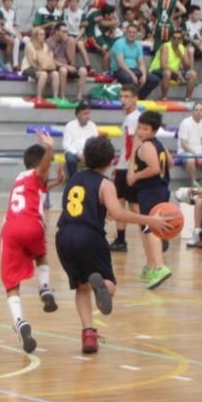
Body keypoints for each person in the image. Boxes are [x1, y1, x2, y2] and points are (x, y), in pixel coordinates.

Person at [56, 136, 174, 354]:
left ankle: (88, 333)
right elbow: (118, 213)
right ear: (110, 161)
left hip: (64, 236)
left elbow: (83, 205)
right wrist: (151, 220)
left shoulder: (73, 179)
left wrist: (102, 212)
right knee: (110, 286)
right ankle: (102, 285)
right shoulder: (105, 184)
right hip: (89, 237)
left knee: (80, 287)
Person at [0, 131, 64, 353]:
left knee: (11, 284)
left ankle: (20, 322)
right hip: (32, 225)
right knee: (41, 254)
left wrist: (57, 182)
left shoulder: (20, 178)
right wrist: (50, 148)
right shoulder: (38, 174)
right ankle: (44, 288)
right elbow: (43, 170)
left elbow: (40, 188)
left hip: (10, 229)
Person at [126, 111, 173, 289]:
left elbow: (154, 168)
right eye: (139, 127)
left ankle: (159, 267)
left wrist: (136, 175)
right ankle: (151, 265)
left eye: (145, 129)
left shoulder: (146, 146)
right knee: (146, 227)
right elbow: (170, 162)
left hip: (151, 191)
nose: (140, 131)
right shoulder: (158, 144)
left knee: (151, 228)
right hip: (160, 190)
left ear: (153, 131)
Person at [109, 84, 141, 252]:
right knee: (123, 202)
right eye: (121, 97)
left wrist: (128, 166)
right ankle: (121, 240)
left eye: (126, 96)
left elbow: (133, 143)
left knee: (131, 204)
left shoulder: (132, 118)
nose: (123, 100)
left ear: (135, 98)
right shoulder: (133, 117)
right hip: (126, 165)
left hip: (128, 166)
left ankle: (151, 232)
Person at [109, 23, 159, 99]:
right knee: (129, 78)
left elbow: (141, 63)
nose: (131, 34)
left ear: (136, 34)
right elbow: (120, 63)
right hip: (119, 70)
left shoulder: (138, 45)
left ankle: (139, 97)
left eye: (134, 33)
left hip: (134, 69)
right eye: (130, 32)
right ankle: (130, 98)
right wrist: (132, 74)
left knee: (154, 79)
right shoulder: (119, 43)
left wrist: (144, 75)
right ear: (125, 32)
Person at [149, 29, 197, 100]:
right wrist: (178, 73)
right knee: (167, 72)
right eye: (174, 38)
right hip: (157, 70)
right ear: (171, 39)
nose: (176, 40)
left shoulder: (183, 48)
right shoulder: (165, 46)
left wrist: (181, 55)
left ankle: (187, 98)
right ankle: (164, 98)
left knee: (193, 74)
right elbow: (163, 65)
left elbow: (187, 67)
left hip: (173, 72)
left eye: (178, 38)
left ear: (181, 40)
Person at [47, 23, 88, 100]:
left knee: (83, 71)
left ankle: (79, 98)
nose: (65, 34)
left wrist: (69, 44)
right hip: (57, 66)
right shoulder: (49, 41)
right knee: (63, 70)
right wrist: (67, 66)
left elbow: (71, 60)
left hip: (67, 65)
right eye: (63, 31)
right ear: (56, 32)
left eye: (66, 32)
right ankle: (62, 97)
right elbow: (51, 60)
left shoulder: (66, 41)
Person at [61, 101, 98, 179]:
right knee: (70, 159)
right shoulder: (70, 125)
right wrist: (77, 153)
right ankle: (73, 180)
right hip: (73, 153)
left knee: (97, 156)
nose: (88, 116)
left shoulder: (92, 126)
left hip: (87, 152)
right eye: (85, 113)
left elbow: (95, 143)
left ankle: (92, 180)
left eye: (88, 113)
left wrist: (86, 153)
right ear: (78, 115)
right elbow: (66, 144)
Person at [177, 102, 202, 186]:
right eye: (196, 110)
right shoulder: (185, 123)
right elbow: (184, 144)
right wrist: (196, 154)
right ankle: (193, 182)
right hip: (184, 151)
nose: (198, 112)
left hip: (199, 152)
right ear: (192, 111)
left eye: (200, 110)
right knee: (191, 160)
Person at [24, 27, 59, 100]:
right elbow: (31, 63)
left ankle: (55, 97)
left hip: (43, 68)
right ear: (35, 36)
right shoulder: (29, 45)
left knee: (55, 74)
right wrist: (42, 69)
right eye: (41, 34)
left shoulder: (46, 46)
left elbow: (47, 60)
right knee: (44, 74)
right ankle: (39, 97)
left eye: (44, 34)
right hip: (29, 67)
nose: (43, 36)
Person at [84, 1, 118, 71]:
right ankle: (105, 72)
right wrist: (115, 21)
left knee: (116, 46)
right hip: (93, 37)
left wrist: (113, 22)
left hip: (101, 36)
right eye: (111, 13)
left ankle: (113, 71)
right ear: (107, 14)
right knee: (108, 51)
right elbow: (103, 24)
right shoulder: (96, 14)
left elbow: (111, 30)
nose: (113, 15)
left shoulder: (107, 17)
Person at [62, 0, 91, 68]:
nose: (73, 3)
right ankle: (72, 64)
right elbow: (62, 26)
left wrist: (77, 38)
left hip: (79, 35)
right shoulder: (65, 12)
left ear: (78, 2)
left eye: (75, 2)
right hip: (68, 34)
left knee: (79, 44)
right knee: (70, 41)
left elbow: (83, 29)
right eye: (72, 1)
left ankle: (88, 65)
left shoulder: (82, 13)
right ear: (68, 2)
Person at [0, 0, 22, 70]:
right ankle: (10, 64)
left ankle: (19, 65)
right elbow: (2, 27)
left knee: (25, 40)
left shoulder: (13, 12)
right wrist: (14, 34)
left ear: (12, 2)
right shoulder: (0, 11)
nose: (8, 2)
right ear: (3, 1)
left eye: (10, 1)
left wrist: (18, 33)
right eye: (7, 0)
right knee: (15, 40)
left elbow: (14, 25)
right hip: (4, 33)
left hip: (12, 33)